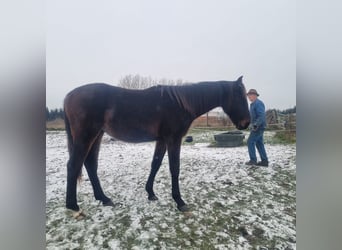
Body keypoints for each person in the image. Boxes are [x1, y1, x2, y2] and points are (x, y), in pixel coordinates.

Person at [245, 89, 269, 167]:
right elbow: (254, 116)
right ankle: (264, 161)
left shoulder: (258, 103)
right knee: (259, 144)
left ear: (255, 95)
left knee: (250, 142)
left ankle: (253, 160)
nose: (248, 97)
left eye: (250, 95)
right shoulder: (252, 104)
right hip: (256, 127)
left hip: (258, 127)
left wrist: (255, 125)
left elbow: (261, 116)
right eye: (248, 95)